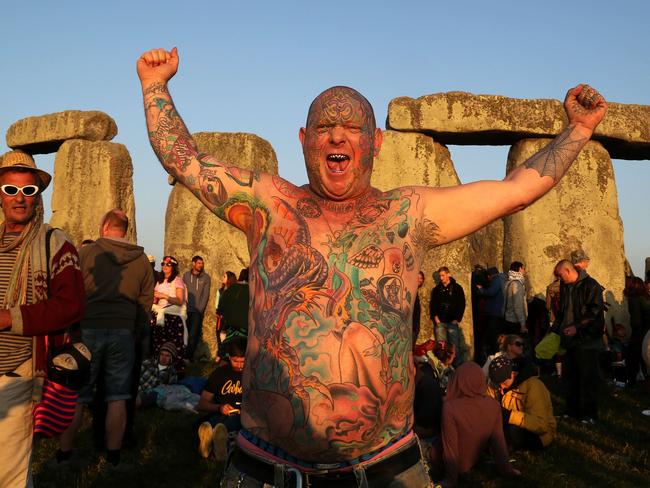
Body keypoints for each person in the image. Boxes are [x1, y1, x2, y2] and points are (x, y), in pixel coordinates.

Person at [137, 46, 606, 486]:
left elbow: (515, 190)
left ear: (375, 141)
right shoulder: (269, 206)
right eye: (323, 126)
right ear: (304, 139)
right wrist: (155, 86)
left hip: (387, 467)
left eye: (351, 126)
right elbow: (188, 163)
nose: (337, 135)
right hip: (266, 467)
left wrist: (578, 131)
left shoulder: (409, 215)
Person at [0, 150, 85, 487]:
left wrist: (10, 317)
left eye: (28, 191)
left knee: (9, 472)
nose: (20, 198)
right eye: (10, 190)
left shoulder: (55, 242)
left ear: (38, 197)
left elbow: (72, 305)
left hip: (20, 370)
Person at [58, 208, 154, 468]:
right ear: (125, 230)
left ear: (103, 227)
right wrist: (136, 329)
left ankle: (64, 453)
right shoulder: (142, 259)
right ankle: (113, 456)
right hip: (123, 331)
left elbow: (72, 292)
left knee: (76, 394)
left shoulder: (87, 253)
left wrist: (72, 327)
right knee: (118, 396)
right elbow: (146, 303)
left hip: (88, 329)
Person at [428, 362, 520, 486]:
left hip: (447, 463)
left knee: (427, 444)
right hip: (472, 460)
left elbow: (450, 449)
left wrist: (451, 479)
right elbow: (499, 443)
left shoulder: (450, 408)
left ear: (458, 381)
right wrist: (507, 469)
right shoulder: (493, 405)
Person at [554, 259, 605, 424]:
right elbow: (562, 311)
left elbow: (594, 312)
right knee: (571, 377)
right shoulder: (565, 286)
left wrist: (577, 327)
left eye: (561, 276)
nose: (560, 280)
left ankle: (589, 414)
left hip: (587, 338)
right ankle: (572, 411)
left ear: (568, 271)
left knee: (587, 378)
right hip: (570, 338)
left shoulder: (591, 285)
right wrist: (555, 331)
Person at [487, 356, 556, 451]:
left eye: (504, 382)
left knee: (511, 432)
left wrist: (509, 416)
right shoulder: (495, 383)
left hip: (538, 434)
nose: (501, 387)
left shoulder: (534, 386)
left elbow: (542, 425)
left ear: (513, 374)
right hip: (507, 425)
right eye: (498, 383)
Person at [197, 337, 246, 461]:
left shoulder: (254, 375)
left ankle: (217, 441)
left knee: (232, 423)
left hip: (242, 415)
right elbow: (202, 403)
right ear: (229, 357)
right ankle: (211, 438)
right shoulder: (219, 374)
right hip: (221, 411)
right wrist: (219, 408)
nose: (240, 365)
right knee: (216, 421)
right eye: (236, 361)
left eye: (243, 361)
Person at [152, 255, 188, 374]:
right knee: (158, 344)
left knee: (173, 346)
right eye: (163, 264)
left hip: (173, 318)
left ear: (173, 267)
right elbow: (155, 298)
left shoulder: (177, 281)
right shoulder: (160, 281)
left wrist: (163, 296)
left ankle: (174, 373)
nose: (165, 266)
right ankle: (158, 371)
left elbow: (179, 300)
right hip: (161, 316)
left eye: (168, 264)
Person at [429, 266, 466, 366]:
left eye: (443, 275)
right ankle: (442, 367)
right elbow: (433, 305)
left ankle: (457, 367)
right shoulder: (437, 289)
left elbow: (461, 304)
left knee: (455, 346)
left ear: (448, 275)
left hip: (452, 322)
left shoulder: (457, 288)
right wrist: (436, 318)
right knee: (441, 347)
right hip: (440, 322)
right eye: (440, 276)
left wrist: (457, 319)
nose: (441, 278)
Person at [183, 255, 212, 361]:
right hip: (185, 310)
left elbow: (205, 295)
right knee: (184, 334)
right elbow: (183, 291)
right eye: (199, 263)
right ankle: (182, 356)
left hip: (197, 312)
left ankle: (188, 358)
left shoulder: (206, 278)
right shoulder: (186, 276)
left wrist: (200, 310)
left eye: (202, 263)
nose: (201, 265)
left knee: (193, 335)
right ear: (193, 263)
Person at [624, 277, 650, 385]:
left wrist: (636, 333)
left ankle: (633, 381)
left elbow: (636, 320)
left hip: (641, 332)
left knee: (633, 357)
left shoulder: (634, 299)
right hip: (647, 330)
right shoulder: (646, 297)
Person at [137, 341, 178, 408]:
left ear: (171, 358)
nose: (164, 358)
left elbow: (168, 391)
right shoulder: (149, 363)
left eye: (167, 356)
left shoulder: (171, 373)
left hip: (148, 394)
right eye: (162, 354)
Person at [477, 266, 507, 356]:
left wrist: (481, 289)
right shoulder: (503, 279)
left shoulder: (497, 279)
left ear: (490, 276)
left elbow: (491, 292)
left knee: (493, 336)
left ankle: (494, 354)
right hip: (499, 312)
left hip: (495, 312)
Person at [504, 261, 528, 335]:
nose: (525, 271)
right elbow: (518, 306)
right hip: (514, 321)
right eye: (524, 268)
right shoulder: (517, 284)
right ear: (520, 269)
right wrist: (522, 324)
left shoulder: (508, 282)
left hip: (508, 318)